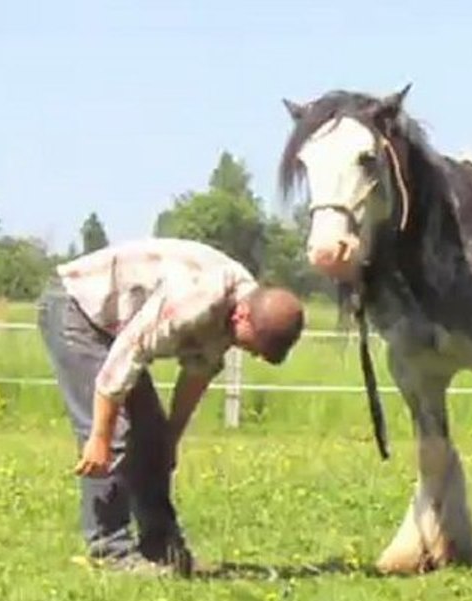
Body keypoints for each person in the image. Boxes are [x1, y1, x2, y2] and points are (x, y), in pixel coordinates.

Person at [37, 237, 305, 576]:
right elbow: (127, 356)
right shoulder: (198, 300)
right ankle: (109, 552)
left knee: (150, 437)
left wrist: (170, 438)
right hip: (78, 309)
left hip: (114, 326)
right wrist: (99, 437)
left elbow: (198, 372)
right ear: (243, 316)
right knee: (116, 436)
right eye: (254, 346)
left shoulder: (240, 306)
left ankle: (162, 548)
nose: (251, 354)